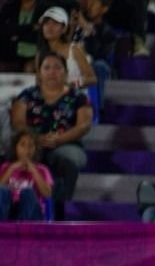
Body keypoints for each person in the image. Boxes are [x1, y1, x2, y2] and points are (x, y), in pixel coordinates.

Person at [8, 51, 89, 210]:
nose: (52, 72)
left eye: (57, 67)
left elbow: (83, 125)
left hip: (66, 144)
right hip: (31, 144)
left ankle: (59, 211)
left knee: (68, 161)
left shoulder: (78, 97)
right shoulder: (27, 95)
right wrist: (36, 139)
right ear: (39, 73)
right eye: (47, 68)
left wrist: (59, 139)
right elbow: (17, 122)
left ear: (65, 72)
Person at [0, 128, 51, 219]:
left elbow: (47, 194)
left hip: (33, 213)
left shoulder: (42, 169)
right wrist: (11, 169)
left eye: (31, 145)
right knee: (3, 190)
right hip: (10, 211)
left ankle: (21, 229)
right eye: (22, 145)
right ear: (15, 147)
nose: (27, 149)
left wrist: (34, 171)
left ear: (36, 149)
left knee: (28, 193)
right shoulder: (6, 167)